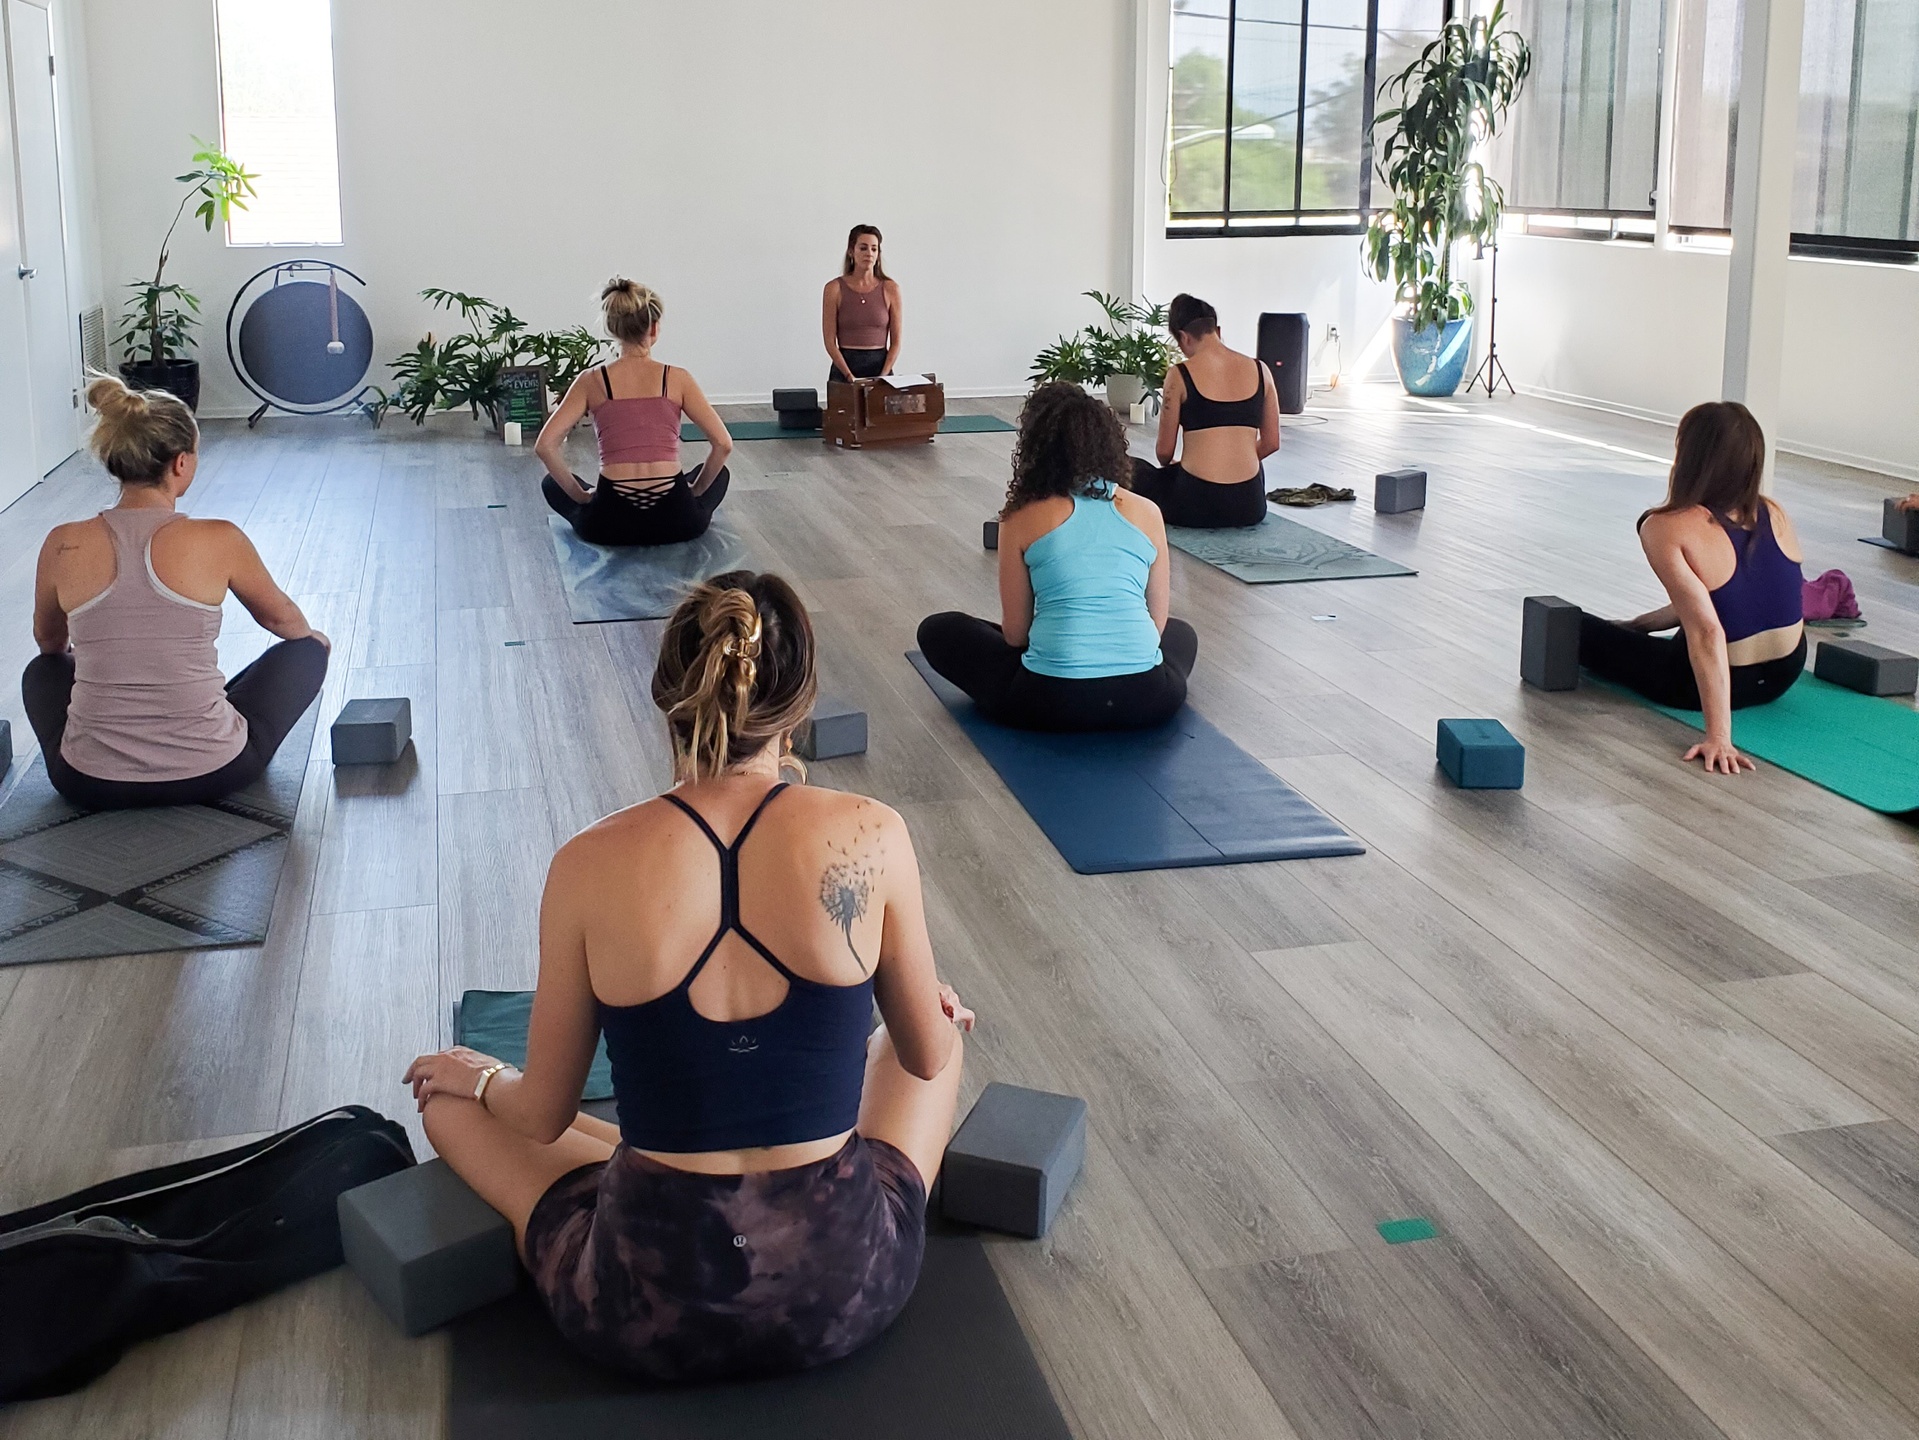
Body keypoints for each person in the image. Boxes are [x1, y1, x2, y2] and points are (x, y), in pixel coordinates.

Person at [404, 572, 971, 1383]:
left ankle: (644, 1153)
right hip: (840, 1293)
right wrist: (937, 1013)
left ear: (667, 698)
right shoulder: (870, 832)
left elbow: (540, 1116)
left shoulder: (587, 861)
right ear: (799, 705)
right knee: (930, 1036)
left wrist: (481, 1076)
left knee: (447, 1104)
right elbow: (923, 1058)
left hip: (646, 1308)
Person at [23, 376, 329, 810]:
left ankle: (99, 746)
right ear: (181, 463)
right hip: (215, 772)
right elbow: (285, 622)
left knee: (43, 671)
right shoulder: (220, 538)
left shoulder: (62, 542)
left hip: (88, 782)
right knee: (310, 649)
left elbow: (50, 643)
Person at [917, 382, 1198, 731]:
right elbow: (1156, 626)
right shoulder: (1147, 511)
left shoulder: (1020, 518)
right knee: (1182, 633)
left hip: (1051, 701)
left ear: (1035, 449)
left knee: (938, 629)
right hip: (1147, 699)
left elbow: (1016, 636)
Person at [1578, 400, 1807, 775]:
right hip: (1785, 673)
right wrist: (1640, 625)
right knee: (1653, 630)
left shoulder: (1664, 526)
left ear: (1690, 457)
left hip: (1702, 684)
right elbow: (1735, 600)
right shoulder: (1774, 511)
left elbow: (1706, 630)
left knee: (1578, 629)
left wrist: (1719, 737)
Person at [537, 279, 734, 547]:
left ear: (612, 329)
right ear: (654, 327)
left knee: (551, 484)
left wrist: (581, 495)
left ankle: (593, 506)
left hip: (609, 525)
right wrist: (696, 491)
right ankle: (689, 498)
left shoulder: (590, 381)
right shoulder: (678, 378)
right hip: (678, 521)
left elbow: (545, 446)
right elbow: (723, 444)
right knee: (717, 475)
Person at [1128, 293, 1279, 530]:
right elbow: (1271, 443)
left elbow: (1165, 453)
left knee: (1132, 469)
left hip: (1195, 505)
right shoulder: (1261, 370)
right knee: (1254, 468)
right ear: (1217, 330)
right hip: (1250, 506)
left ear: (1184, 337)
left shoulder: (1179, 374)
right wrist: (1235, 464)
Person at [822, 225, 903, 388]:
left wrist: (882, 376)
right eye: (863, 248)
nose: (869, 253)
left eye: (874, 249)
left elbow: (896, 342)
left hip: (880, 369)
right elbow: (829, 341)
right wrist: (849, 376)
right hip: (844, 369)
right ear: (851, 251)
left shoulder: (891, 289)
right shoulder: (834, 289)